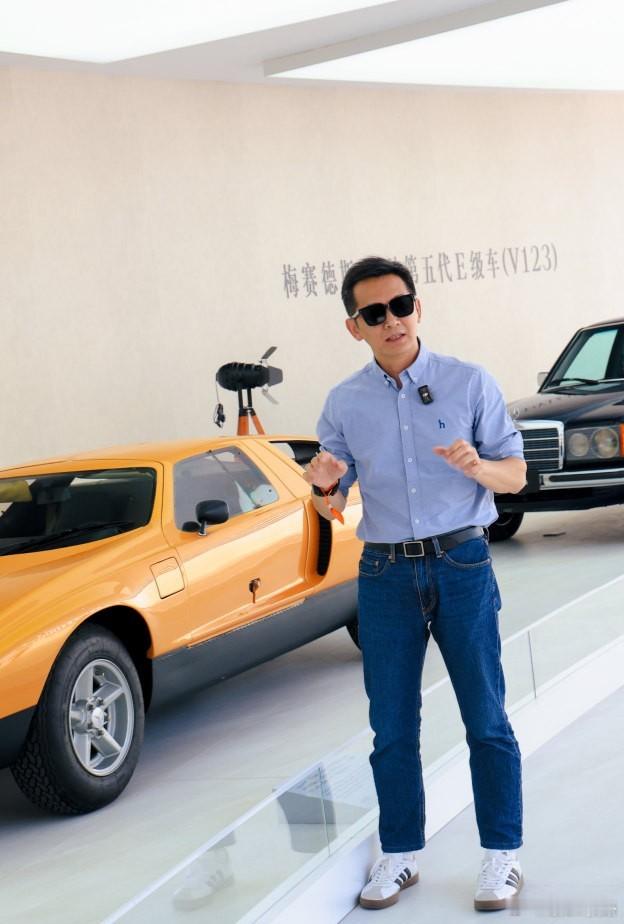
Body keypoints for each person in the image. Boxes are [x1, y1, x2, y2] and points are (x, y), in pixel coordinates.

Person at [302, 256, 527, 912]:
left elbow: (515, 476)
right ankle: (399, 854)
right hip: (385, 574)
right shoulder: (344, 403)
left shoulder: (469, 381)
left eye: (400, 305)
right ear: (355, 327)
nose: (391, 321)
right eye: (374, 313)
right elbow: (331, 505)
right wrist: (322, 489)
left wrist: (477, 466)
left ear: (417, 308)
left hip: (462, 564)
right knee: (392, 726)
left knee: (486, 718)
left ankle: (502, 855)